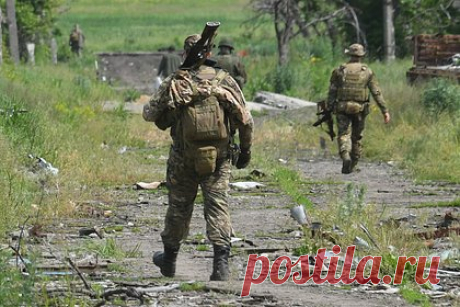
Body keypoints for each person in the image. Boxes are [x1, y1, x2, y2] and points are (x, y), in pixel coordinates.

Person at [142, 33, 254, 281]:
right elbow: (245, 120)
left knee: (178, 209)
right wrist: (245, 152)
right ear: (209, 54)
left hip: (184, 158)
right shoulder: (224, 81)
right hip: (219, 159)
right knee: (217, 207)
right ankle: (221, 266)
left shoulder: (176, 82)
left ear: (185, 54)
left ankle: (169, 261)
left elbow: (149, 113)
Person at [326, 43, 391, 174]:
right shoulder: (367, 71)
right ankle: (353, 164)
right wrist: (384, 110)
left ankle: (345, 156)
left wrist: (329, 107)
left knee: (344, 134)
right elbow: (376, 92)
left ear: (349, 54)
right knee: (356, 137)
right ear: (361, 55)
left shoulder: (339, 70)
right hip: (360, 109)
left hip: (342, 108)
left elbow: (332, 91)